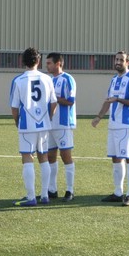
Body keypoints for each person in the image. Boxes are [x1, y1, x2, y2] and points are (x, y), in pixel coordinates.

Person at [91, 51, 129, 207]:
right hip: (113, 125)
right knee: (115, 158)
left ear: (128, 62)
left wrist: (118, 99)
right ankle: (118, 192)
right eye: (117, 59)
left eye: (122, 60)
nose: (118, 62)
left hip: (127, 125)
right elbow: (108, 100)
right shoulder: (114, 79)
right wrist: (99, 116)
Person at [10, 47, 58, 207]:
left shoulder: (18, 80)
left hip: (27, 124)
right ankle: (44, 195)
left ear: (23, 62)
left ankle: (31, 197)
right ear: (38, 61)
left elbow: (14, 107)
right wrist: (48, 118)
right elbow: (54, 102)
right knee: (43, 157)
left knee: (27, 158)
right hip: (43, 124)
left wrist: (18, 122)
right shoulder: (48, 79)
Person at [45, 53, 76, 202]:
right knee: (50, 156)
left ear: (58, 63)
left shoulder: (67, 79)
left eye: (50, 63)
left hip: (63, 124)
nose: (47, 66)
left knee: (66, 156)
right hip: (50, 124)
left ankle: (70, 190)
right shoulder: (49, 80)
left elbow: (70, 101)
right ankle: (52, 190)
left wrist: (54, 98)